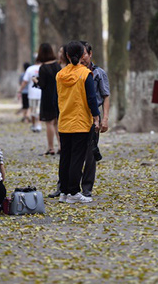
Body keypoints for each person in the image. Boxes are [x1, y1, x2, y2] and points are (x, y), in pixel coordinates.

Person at [56, 41, 100, 204]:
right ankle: (73, 192)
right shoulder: (85, 74)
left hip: (64, 122)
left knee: (65, 158)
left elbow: (57, 99)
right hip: (80, 122)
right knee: (77, 158)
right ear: (83, 55)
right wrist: (96, 118)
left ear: (66, 56)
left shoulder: (60, 75)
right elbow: (91, 99)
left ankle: (64, 192)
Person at [80, 41, 110, 199]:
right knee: (72, 153)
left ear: (90, 54)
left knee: (91, 153)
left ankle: (87, 188)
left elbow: (105, 96)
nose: (82, 58)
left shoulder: (99, 73)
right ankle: (67, 186)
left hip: (93, 116)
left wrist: (104, 118)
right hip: (76, 116)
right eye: (79, 54)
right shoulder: (72, 72)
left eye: (84, 54)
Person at [36, 43, 61, 155]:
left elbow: (42, 84)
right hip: (58, 96)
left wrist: (35, 80)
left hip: (47, 98)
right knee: (57, 122)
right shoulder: (57, 65)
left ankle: (51, 148)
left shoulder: (43, 68)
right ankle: (61, 146)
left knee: (49, 123)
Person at [18, 59, 42, 132]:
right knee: (40, 110)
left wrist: (20, 90)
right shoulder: (43, 68)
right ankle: (39, 125)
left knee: (33, 110)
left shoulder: (30, 69)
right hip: (42, 92)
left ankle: (34, 125)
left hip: (32, 93)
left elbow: (25, 81)